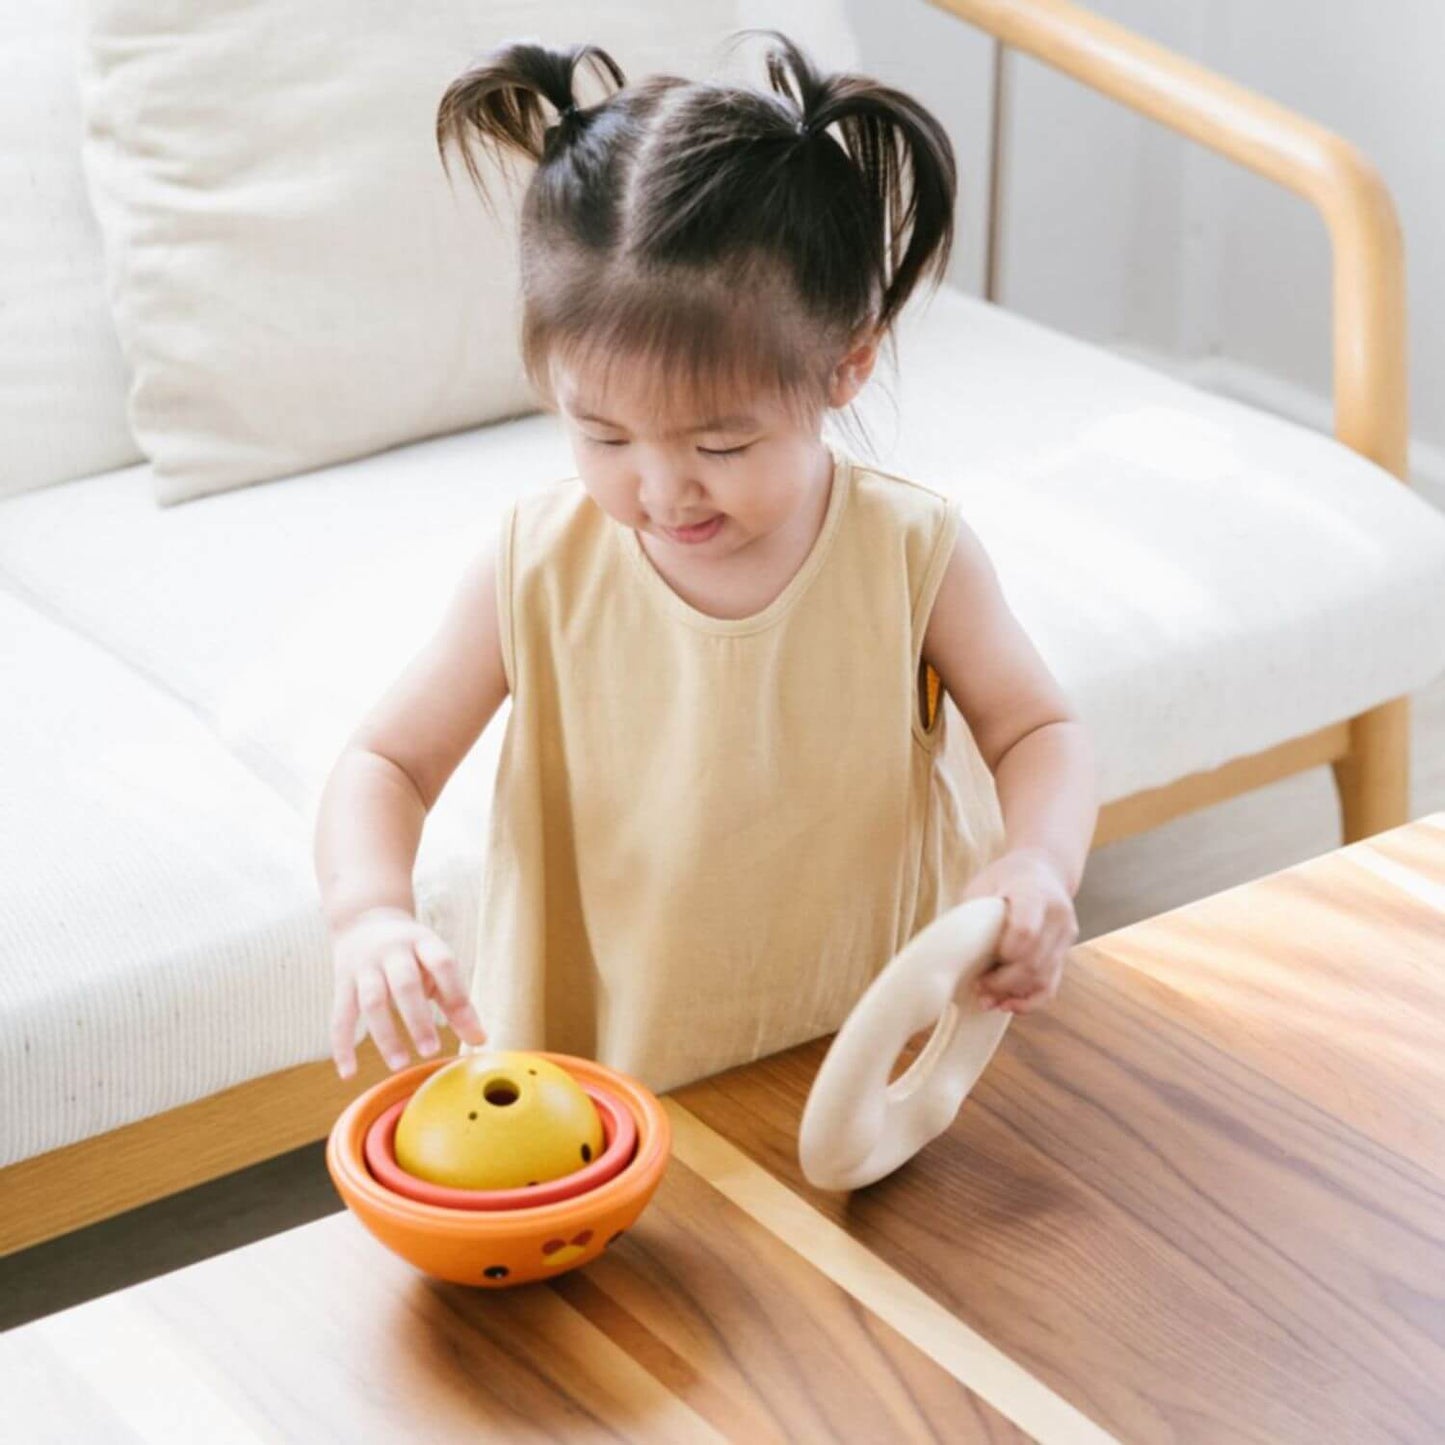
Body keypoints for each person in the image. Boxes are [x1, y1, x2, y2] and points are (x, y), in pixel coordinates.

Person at [316, 32, 1098, 1090]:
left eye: (719, 445)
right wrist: (370, 914)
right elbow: (386, 764)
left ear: (845, 367)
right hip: (601, 1070)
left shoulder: (911, 554)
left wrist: (1036, 860)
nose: (661, 489)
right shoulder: (537, 568)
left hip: (862, 1047)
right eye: (602, 436)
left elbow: (1036, 728)